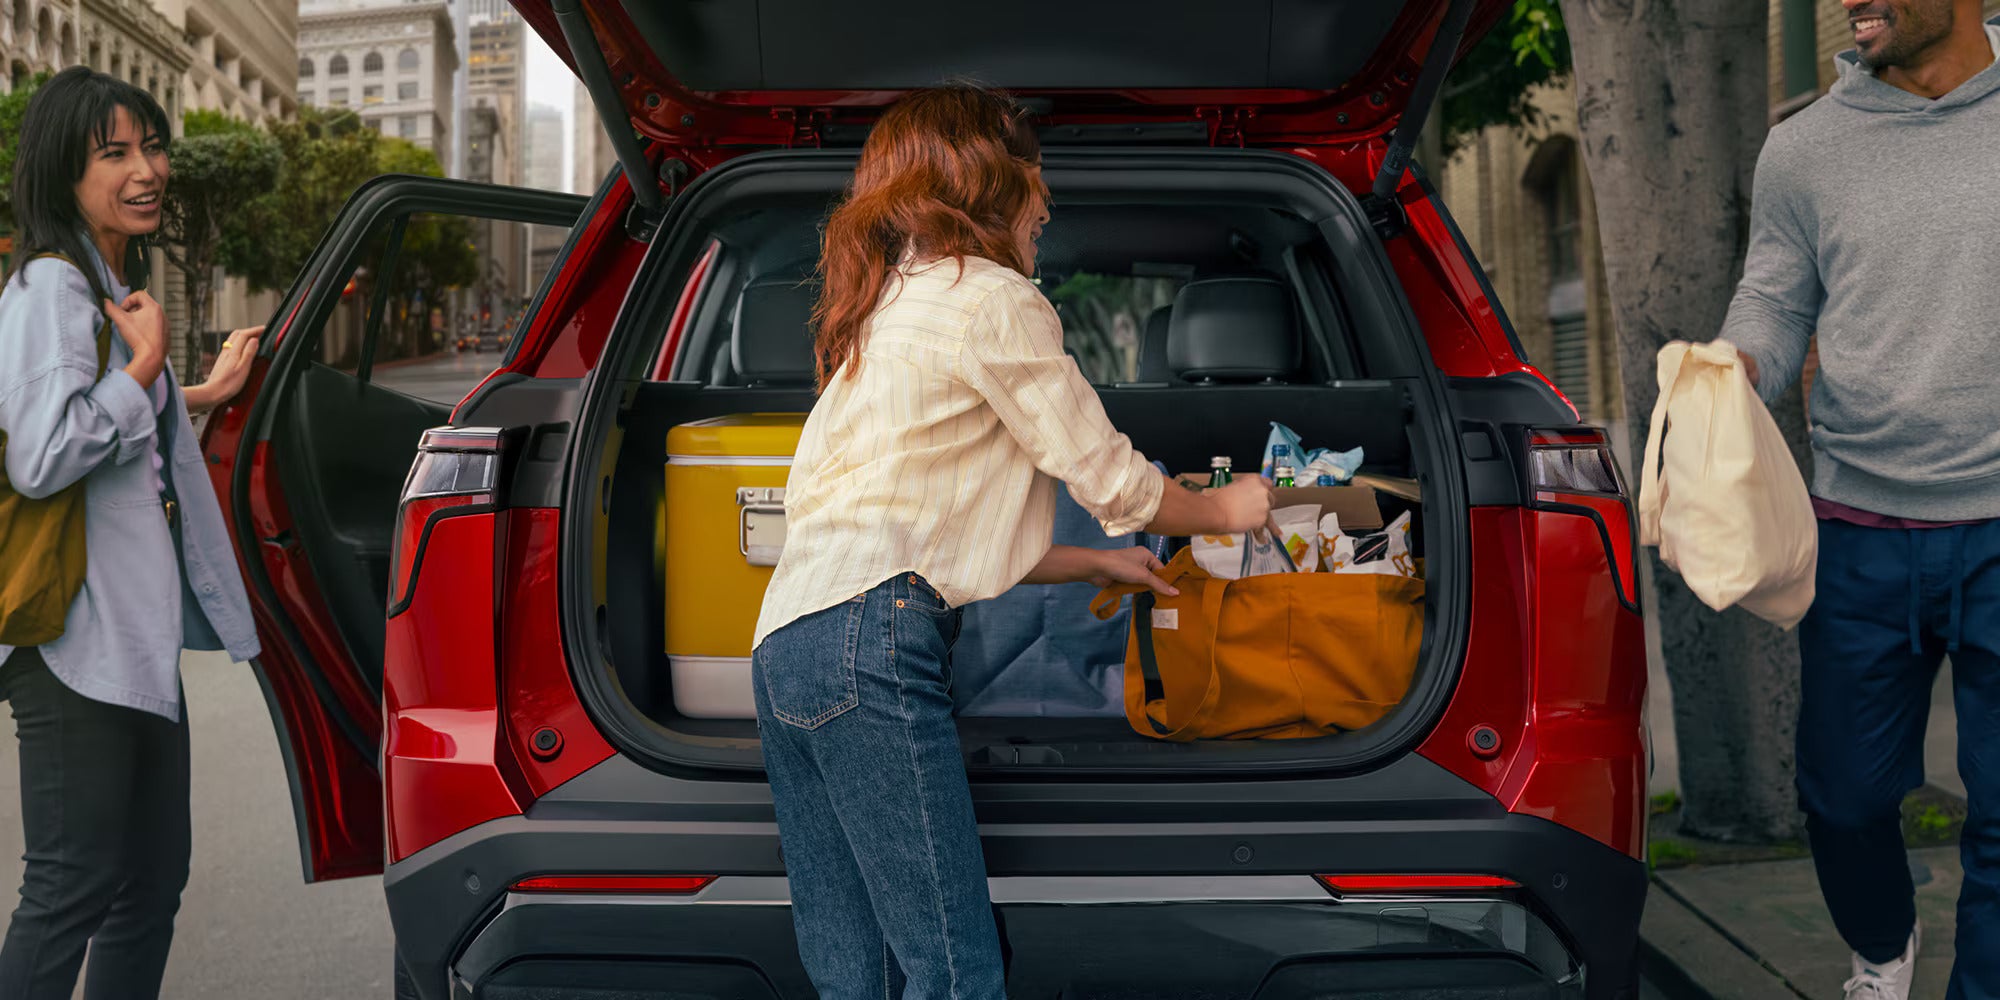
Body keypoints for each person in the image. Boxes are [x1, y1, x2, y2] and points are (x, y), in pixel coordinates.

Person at [749, 84, 1275, 998]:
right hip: (869, 648)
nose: (1047, 201)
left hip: (787, 652)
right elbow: (1109, 478)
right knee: (957, 977)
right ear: (987, 179)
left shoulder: (887, 314)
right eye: (1035, 176)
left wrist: (1096, 563)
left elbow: (913, 525)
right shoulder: (992, 298)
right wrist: (1231, 509)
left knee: (857, 978)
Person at [1721, 2, 2000, 998]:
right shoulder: (1802, 149)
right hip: (1859, 530)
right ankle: (1881, 947)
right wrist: (1729, 368)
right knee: (1839, 799)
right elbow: (1773, 299)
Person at [0, 66, 264, 999]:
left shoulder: (104, 284)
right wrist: (148, 362)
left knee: (149, 882)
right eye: (115, 153)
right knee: (74, 884)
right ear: (62, 172)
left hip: (128, 639)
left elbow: (103, 414)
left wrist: (193, 390)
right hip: (74, 643)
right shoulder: (50, 288)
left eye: (151, 146)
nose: (146, 169)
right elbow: (41, 452)